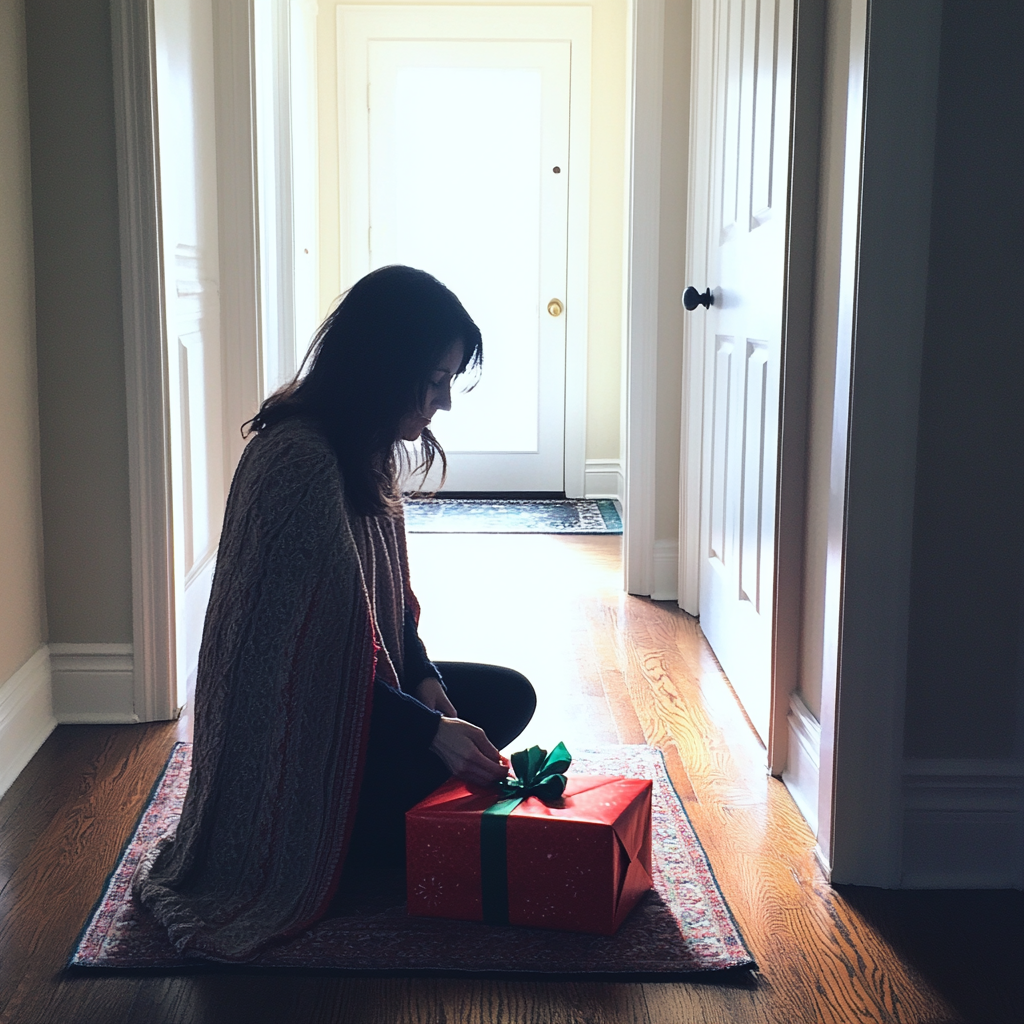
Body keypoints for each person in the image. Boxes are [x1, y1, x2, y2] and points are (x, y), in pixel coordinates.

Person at [133, 266, 536, 962]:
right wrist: (431, 733)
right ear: (388, 365)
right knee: (461, 745)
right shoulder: (296, 462)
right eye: (435, 380)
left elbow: (384, 612)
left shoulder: (364, 449)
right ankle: (353, 841)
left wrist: (430, 684)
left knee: (506, 695)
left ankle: (391, 819)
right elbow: (308, 669)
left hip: (359, 699)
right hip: (291, 748)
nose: (443, 403)